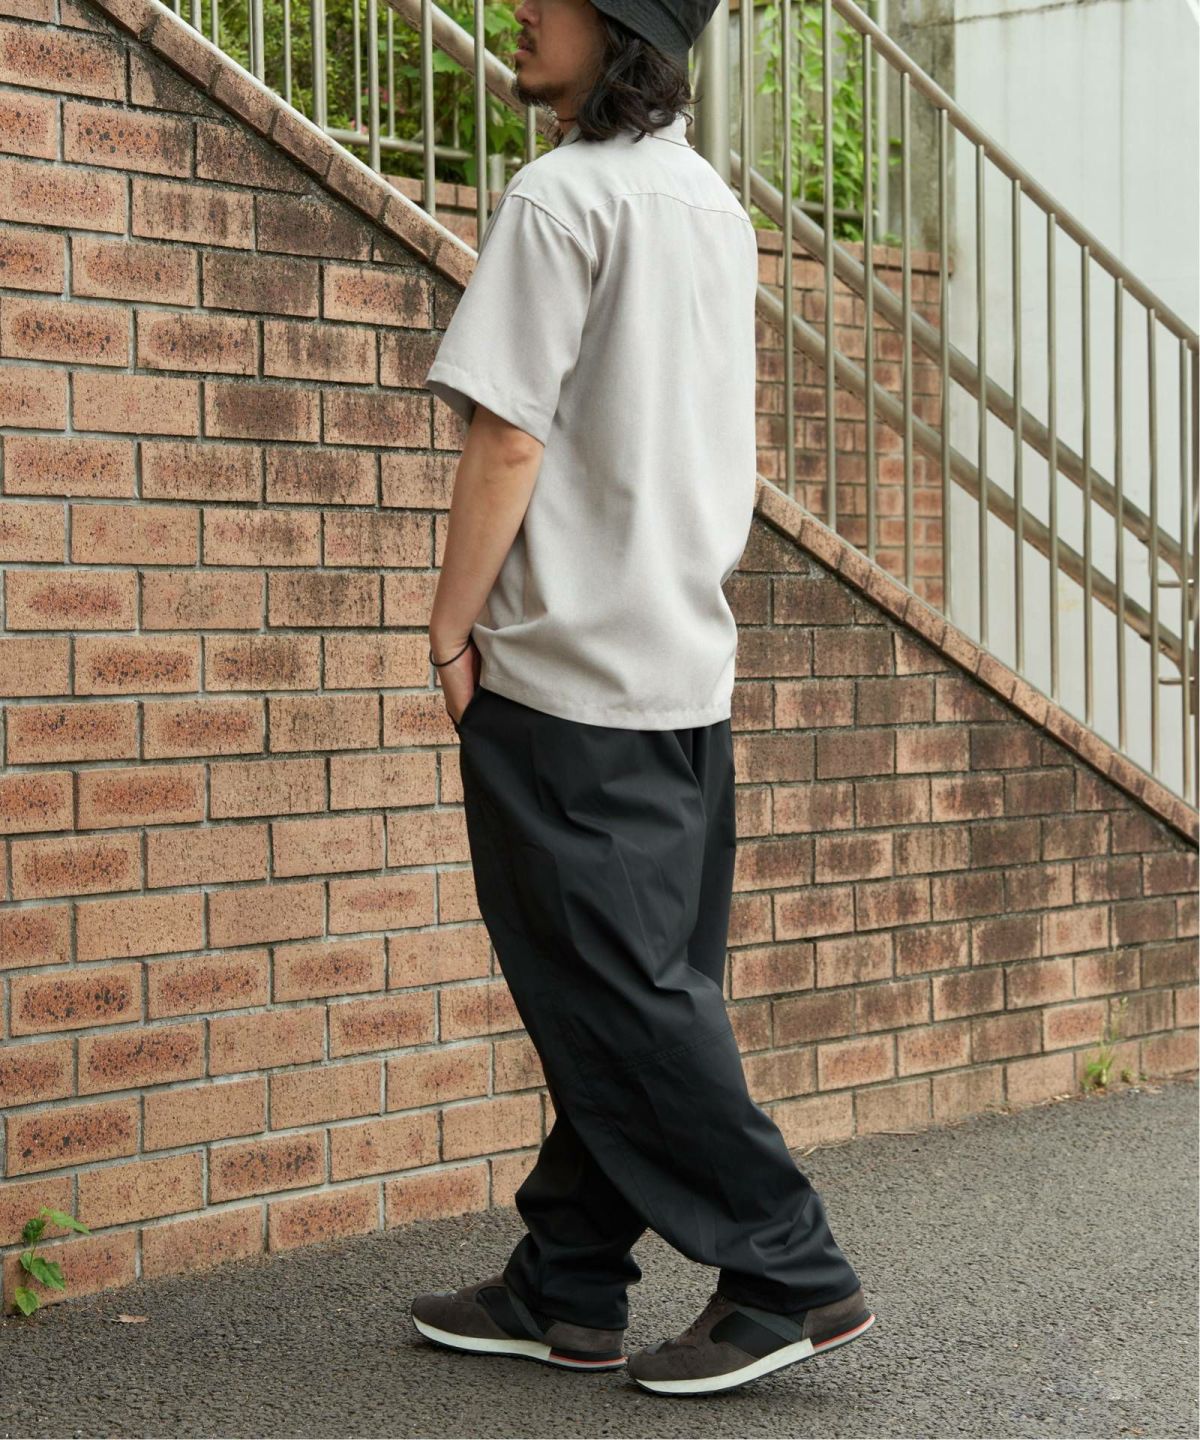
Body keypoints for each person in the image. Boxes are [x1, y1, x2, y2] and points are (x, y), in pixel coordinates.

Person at [410, 0, 875, 1397]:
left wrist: (448, 628)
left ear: (618, 26)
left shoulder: (560, 198)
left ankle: (789, 1270)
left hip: (568, 679)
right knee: (626, 990)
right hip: (682, 672)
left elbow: (508, 436)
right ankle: (568, 1281)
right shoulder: (711, 208)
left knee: (623, 999)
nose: (515, 9)